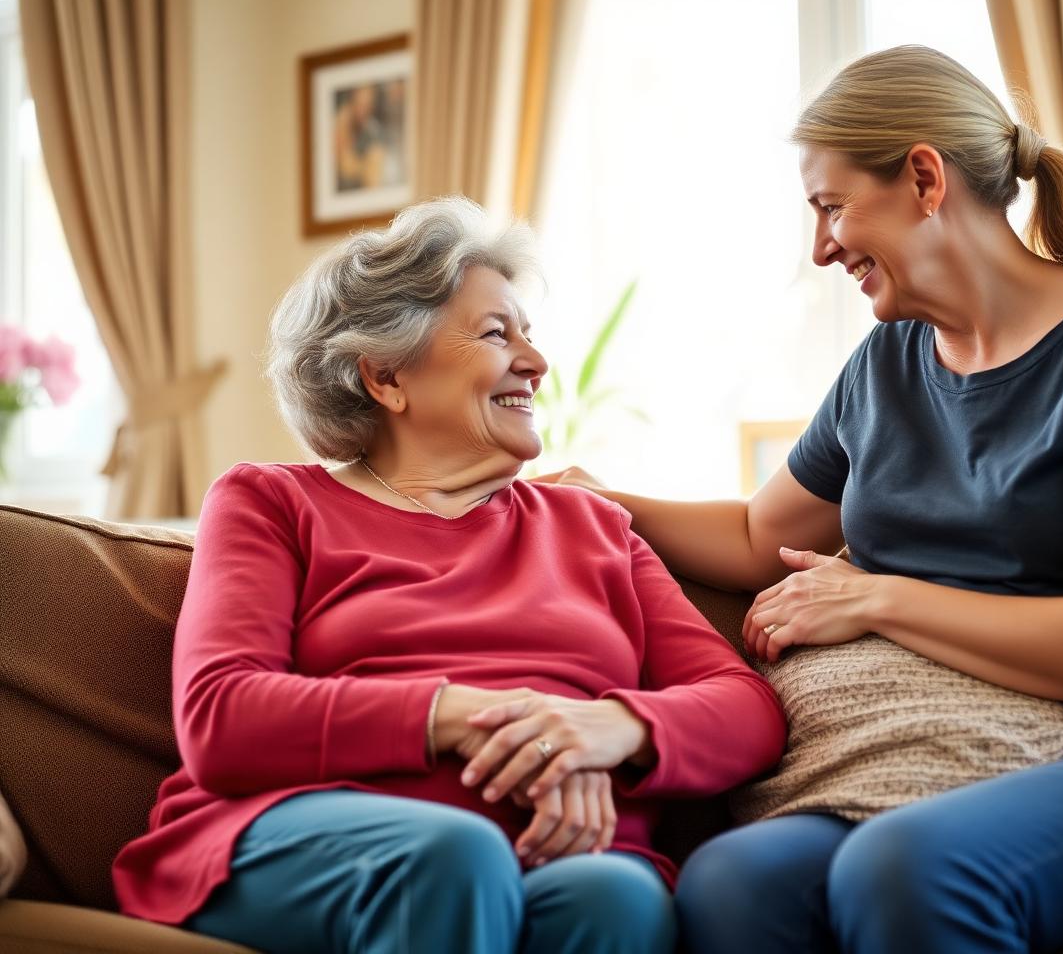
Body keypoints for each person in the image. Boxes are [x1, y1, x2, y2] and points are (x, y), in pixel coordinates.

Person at [538, 45, 1063, 953]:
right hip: (936, 740)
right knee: (731, 880)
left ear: (923, 177)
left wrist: (874, 596)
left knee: (905, 867)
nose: (821, 246)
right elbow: (762, 534)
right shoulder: (885, 365)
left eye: (832, 207)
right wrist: (599, 500)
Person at [110, 197, 786, 954]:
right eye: (498, 334)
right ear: (387, 377)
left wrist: (605, 728)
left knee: (617, 896)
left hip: (559, 852)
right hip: (317, 836)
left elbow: (745, 709)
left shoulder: (591, 526)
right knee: (454, 858)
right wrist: (487, 718)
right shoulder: (274, 503)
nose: (536, 362)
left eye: (529, 335)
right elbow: (222, 715)